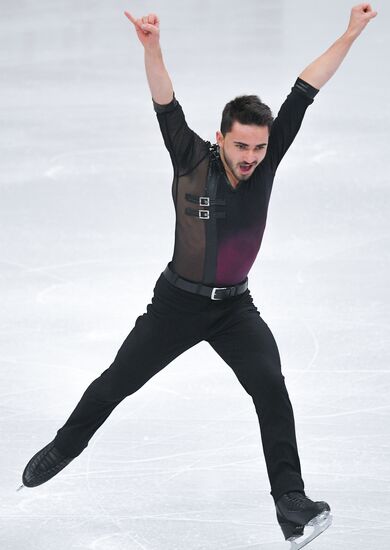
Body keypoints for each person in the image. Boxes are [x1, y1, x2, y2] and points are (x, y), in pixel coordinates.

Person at [20, 4, 377, 549]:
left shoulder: (268, 158)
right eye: (242, 146)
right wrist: (152, 48)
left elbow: (306, 86)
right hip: (177, 305)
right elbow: (165, 99)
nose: (252, 157)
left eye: (260, 147)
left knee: (271, 389)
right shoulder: (189, 157)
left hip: (234, 308)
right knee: (118, 381)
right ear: (220, 137)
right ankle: (63, 448)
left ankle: (291, 505)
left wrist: (350, 33)